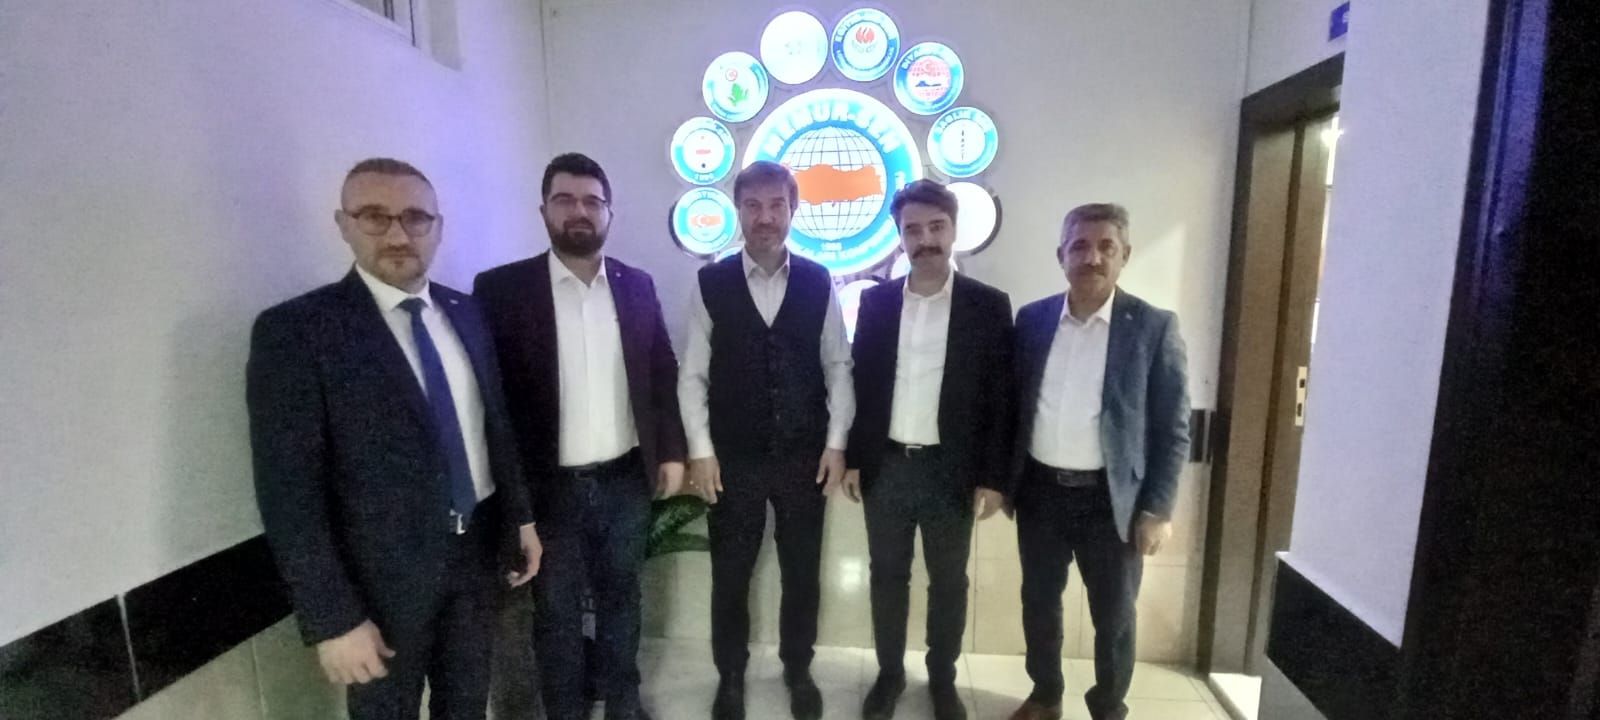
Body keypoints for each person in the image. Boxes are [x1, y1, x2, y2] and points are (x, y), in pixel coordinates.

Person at [247, 157, 541, 720]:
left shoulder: (467, 313)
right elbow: (289, 493)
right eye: (375, 217)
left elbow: (493, 427)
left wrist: (521, 519)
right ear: (344, 224)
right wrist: (333, 619)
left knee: (466, 705)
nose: (399, 235)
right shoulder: (298, 332)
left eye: (415, 218)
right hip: (380, 585)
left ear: (438, 227)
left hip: (476, 559)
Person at [473, 152, 687, 720]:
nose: (579, 211)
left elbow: (661, 370)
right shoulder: (502, 291)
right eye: (565, 199)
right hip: (550, 492)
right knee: (557, 615)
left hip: (625, 481)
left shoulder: (636, 285)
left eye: (593, 201)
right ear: (543, 210)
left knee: (623, 601)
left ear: (609, 213)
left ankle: (623, 705)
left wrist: (671, 452)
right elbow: (491, 402)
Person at [678, 161, 854, 720]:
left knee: (802, 573)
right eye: (753, 206)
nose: (765, 217)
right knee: (731, 575)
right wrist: (701, 451)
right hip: (733, 459)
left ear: (793, 210)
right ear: (738, 211)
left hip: (806, 457)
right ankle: (730, 675)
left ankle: (798, 670)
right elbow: (692, 374)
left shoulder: (818, 281)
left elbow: (839, 366)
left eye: (777, 205)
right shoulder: (710, 283)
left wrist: (836, 443)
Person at [1007, 203, 1190, 720]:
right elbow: (1012, 406)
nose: (1092, 257)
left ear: (1124, 254)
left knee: (1114, 617)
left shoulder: (1152, 327)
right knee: (1039, 603)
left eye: (1106, 246)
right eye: (1080, 246)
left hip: (1112, 502)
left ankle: (1108, 706)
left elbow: (1173, 427)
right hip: (1040, 492)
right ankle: (1045, 695)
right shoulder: (1033, 320)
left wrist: (1158, 508)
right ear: (1061, 255)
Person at [841, 179, 1014, 720]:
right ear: (900, 237)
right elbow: (862, 385)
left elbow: (1001, 397)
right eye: (912, 230)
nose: (925, 240)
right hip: (887, 467)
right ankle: (890, 674)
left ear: (954, 230)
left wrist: (993, 476)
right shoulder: (876, 302)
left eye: (936, 227)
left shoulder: (988, 306)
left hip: (950, 471)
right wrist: (853, 458)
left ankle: (942, 679)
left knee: (949, 582)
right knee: (887, 576)